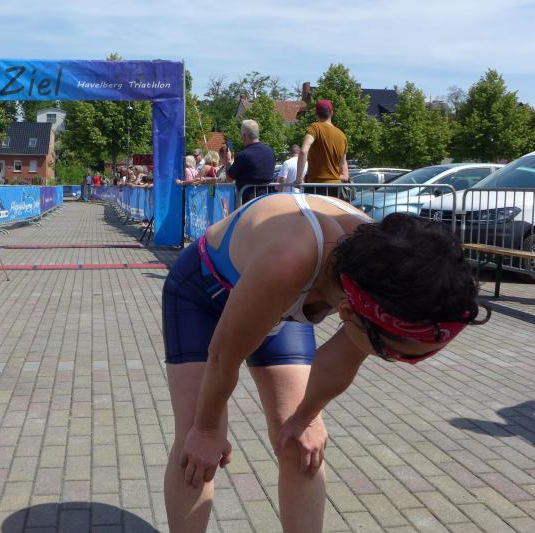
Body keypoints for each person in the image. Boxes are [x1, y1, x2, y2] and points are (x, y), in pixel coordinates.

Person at [162, 193, 488, 533]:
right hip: (204, 293)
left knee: (301, 446)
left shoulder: (387, 274)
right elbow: (222, 359)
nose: (401, 362)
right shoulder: (289, 260)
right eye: (395, 353)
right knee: (195, 449)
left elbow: (338, 363)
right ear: (347, 312)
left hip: (282, 299)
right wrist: (206, 430)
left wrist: (305, 418)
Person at [296, 99, 348, 197]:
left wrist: (298, 180)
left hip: (316, 186)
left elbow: (303, 151)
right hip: (336, 188)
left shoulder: (315, 127)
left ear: (316, 114)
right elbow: (344, 170)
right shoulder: (342, 135)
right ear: (332, 113)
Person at [224, 120, 276, 203]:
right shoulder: (270, 151)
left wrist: (228, 161)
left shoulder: (244, 155)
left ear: (244, 136)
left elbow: (229, 179)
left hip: (249, 202)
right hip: (268, 199)